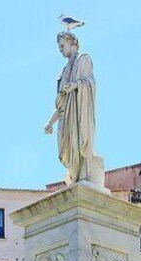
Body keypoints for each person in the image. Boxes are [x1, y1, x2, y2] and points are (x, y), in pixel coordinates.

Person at [43, 31, 101, 187]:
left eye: (62, 45)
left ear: (72, 42)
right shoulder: (63, 73)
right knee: (65, 153)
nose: (60, 49)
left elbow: (90, 83)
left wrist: (76, 85)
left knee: (76, 151)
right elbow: (61, 105)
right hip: (65, 120)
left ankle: (80, 174)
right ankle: (74, 177)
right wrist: (50, 123)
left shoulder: (83, 60)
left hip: (77, 117)